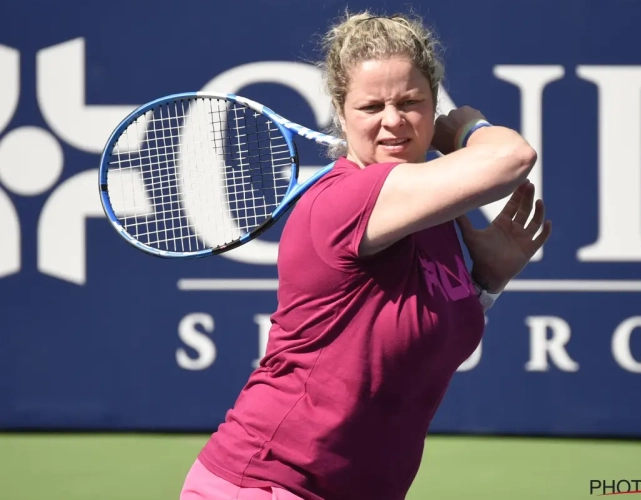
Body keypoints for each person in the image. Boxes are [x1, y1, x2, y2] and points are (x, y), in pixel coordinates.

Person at [180, 9, 551, 500]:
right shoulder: (348, 199)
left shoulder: (430, 213)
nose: (392, 122)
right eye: (371, 106)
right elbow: (512, 157)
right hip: (267, 483)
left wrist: (487, 283)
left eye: (410, 102)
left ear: (432, 100)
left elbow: (402, 343)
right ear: (340, 110)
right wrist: (466, 129)